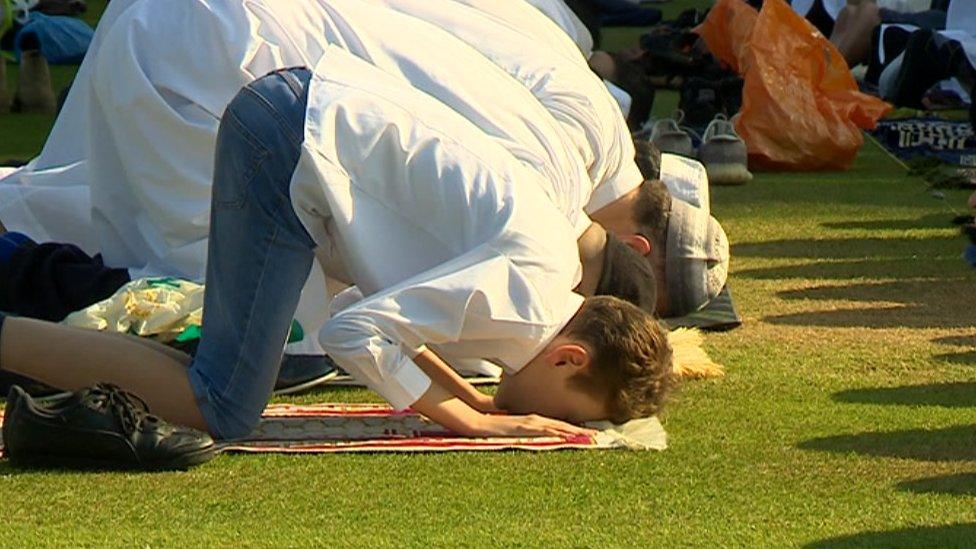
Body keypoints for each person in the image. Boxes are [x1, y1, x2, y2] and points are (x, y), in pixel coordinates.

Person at [0, 55, 674, 469]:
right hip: (290, 139)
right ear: (569, 359)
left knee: (226, 380)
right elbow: (353, 333)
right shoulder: (523, 296)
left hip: (296, 123)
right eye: (574, 415)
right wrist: (472, 418)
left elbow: (380, 319)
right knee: (224, 403)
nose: (555, 424)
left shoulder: (542, 277)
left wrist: (466, 398)